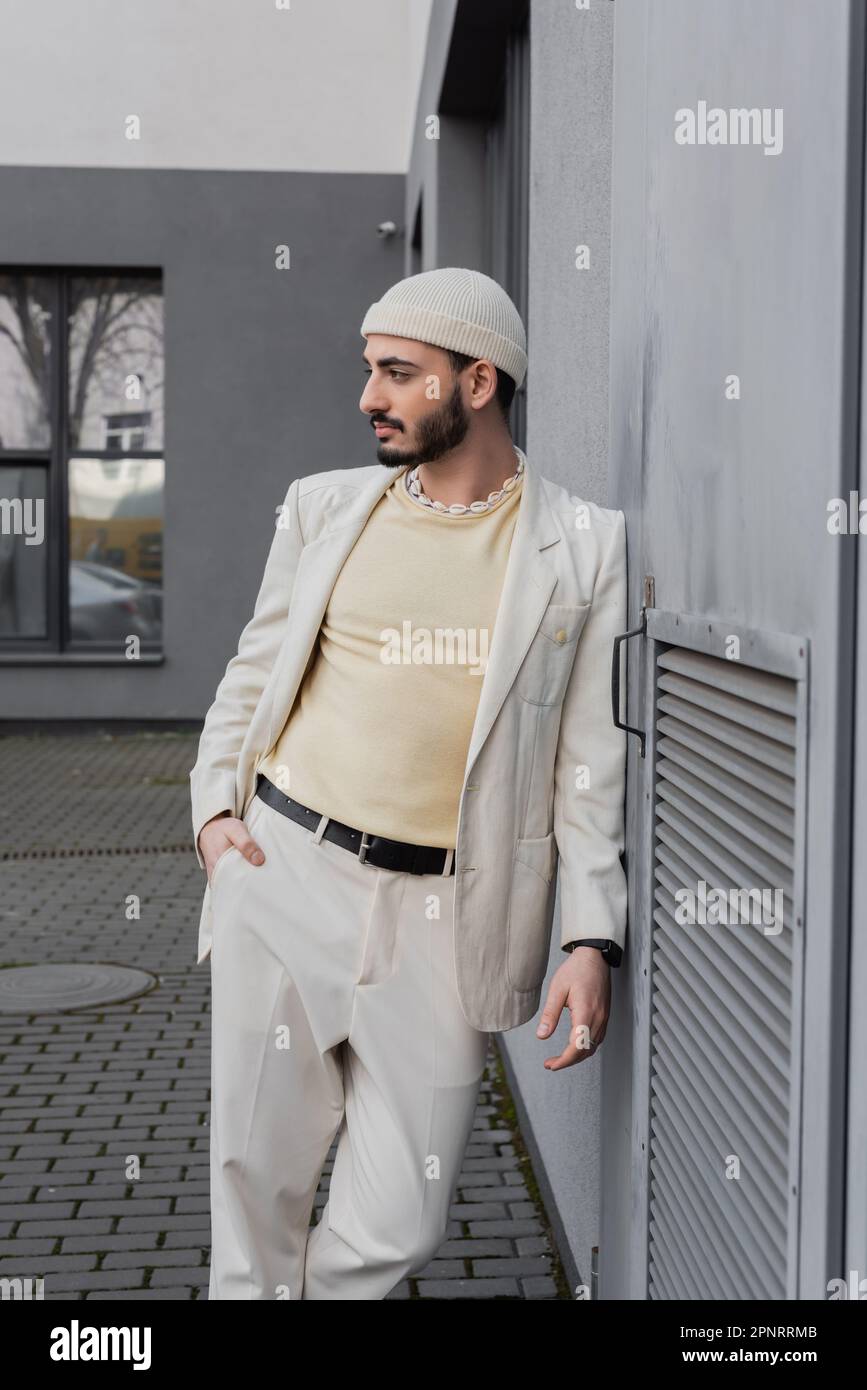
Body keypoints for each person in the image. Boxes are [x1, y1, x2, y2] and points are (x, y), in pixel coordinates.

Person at [190, 267, 628, 1300]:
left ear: (477, 382)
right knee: (253, 1186)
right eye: (368, 369)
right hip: (286, 869)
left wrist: (589, 935)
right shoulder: (324, 510)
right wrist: (215, 815)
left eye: (398, 372)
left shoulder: (583, 547)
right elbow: (253, 671)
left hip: (449, 913)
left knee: (400, 1220)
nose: (369, 397)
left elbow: (588, 760)